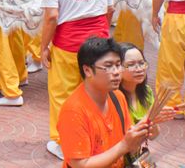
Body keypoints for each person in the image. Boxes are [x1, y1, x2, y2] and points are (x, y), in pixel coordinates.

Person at [41, 0, 114, 159]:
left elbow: (52, 16)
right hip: (99, 42)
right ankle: (98, 136)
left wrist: (43, 47)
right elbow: (109, 8)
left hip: (68, 43)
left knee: (63, 93)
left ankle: (65, 142)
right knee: (95, 90)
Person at [58, 37, 151, 168]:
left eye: (118, 65)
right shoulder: (73, 112)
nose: (117, 72)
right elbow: (80, 165)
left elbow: (130, 145)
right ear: (87, 70)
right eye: (108, 66)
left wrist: (145, 128)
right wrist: (124, 145)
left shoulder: (118, 97)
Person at [119, 43, 175, 130]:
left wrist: (154, 120)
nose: (139, 69)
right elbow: (127, 137)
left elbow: (153, 135)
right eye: (131, 64)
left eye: (142, 63)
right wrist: (149, 118)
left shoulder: (147, 92)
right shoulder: (114, 98)